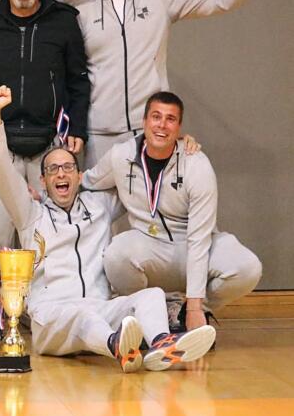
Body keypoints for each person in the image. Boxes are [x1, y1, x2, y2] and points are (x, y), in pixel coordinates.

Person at [0, 86, 216, 371]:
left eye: (68, 168)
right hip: (53, 315)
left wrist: (174, 146)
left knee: (152, 295)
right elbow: (2, 171)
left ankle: (161, 343)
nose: (61, 173)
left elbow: (144, 178)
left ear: (80, 176)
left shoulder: (99, 206)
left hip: (99, 307)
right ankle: (119, 346)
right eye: (53, 169)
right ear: (42, 181)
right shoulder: (31, 215)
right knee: (84, 316)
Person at [52, 0, 272, 168]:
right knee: (97, 193)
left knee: (149, 193)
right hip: (99, 133)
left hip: (148, 131)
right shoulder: (83, 6)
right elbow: (43, 12)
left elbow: (217, 1)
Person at [0, 0, 90, 343]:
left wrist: (78, 128)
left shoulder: (64, 21)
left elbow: (79, 80)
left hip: (47, 144)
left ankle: (34, 309)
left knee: (42, 236)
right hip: (0, 144)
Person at [83, 91, 262, 332]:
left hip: (194, 246)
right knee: (116, 255)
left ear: (179, 127)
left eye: (170, 119)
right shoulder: (120, 156)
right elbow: (88, 181)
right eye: (156, 117)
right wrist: (43, 191)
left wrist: (195, 307)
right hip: (150, 247)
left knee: (248, 267)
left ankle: (184, 311)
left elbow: (199, 239)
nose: (162, 125)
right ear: (144, 121)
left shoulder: (196, 164)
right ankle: (149, 312)